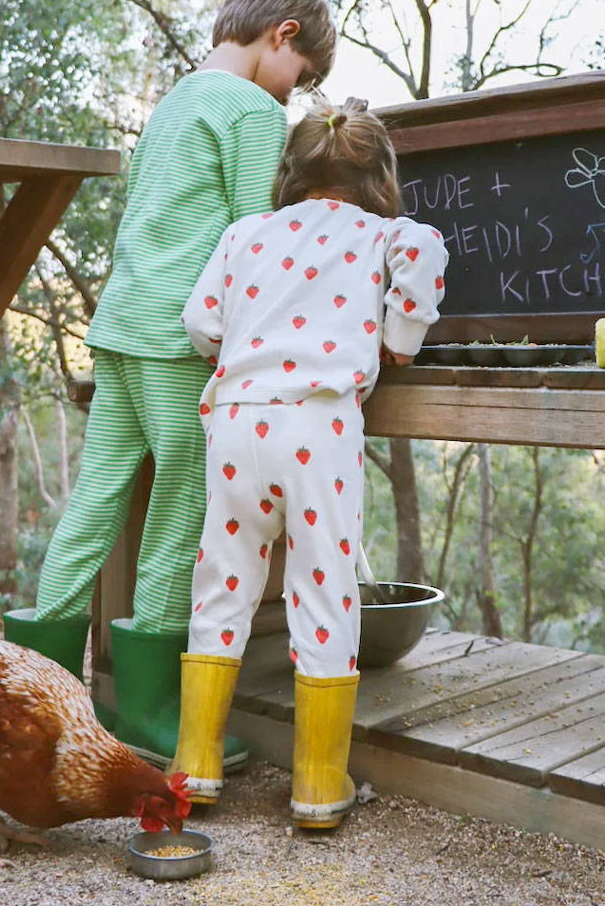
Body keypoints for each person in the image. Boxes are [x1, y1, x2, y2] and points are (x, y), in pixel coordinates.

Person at [3, 0, 337, 773]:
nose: (300, 94)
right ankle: (146, 710)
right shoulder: (256, 111)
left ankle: (37, 693)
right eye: (307, 75)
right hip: (178, 338)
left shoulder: (180, 98)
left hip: (121, 322)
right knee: (182, 507)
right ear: (283, 36)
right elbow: (251, 238)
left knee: (98, 495)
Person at [171, 98, 448, 827]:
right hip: (317, 425)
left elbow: (200, 322)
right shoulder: (385, 233)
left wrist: (242, 347)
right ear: (379, 177)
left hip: (235, 420)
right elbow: (424, 254)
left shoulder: (246, 233)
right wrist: (400, 335)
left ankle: (194, 767)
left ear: (291, 173)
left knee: (223, 583)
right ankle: (319, 785)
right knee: (323, 590)